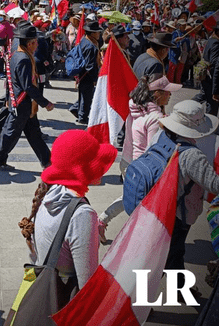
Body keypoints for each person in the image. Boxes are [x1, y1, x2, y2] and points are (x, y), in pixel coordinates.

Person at [28, 130, 117, 289]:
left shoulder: (48, 193)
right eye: (96, 163)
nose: (103, 168)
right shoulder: (82, 215)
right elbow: (86, 286)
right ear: (81, 169)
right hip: (64, 299)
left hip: (44, 288)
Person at [98, 74, 181, 243]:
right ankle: (137, 240)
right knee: (141, 204)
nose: (170, 95)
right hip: (143, 168)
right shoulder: (156, 119)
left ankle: (102, 222)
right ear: (157, 94)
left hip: (128, 162)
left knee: (129, 197)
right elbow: (154, 148)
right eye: (167, 92)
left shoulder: (135, 108)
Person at [158, 100, 219, 293]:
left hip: (161, 206)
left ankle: (181, 289)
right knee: (169, 253)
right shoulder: (193, 155)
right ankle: (136, 298)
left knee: (171, 252)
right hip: (179, 211)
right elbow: (215, 185)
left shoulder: (162, 138)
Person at [0, 24, 55, 171]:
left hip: (22, 103)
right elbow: (28, 86)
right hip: (22, 103)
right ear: (30, 43)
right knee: (10, 134)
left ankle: (47, 161)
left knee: (34, 134)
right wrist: (45, 103)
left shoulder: (17, 54)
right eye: (36, 42)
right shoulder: (24, 59)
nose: (37, 45)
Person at [69, 21, 102, 125]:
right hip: (87, 75)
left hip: (82, 74)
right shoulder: (90, 46)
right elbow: (90, 65)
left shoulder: (84, 41)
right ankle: (82, 117)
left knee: (84, 95)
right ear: (92, 33)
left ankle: (76, 109)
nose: (99, 34)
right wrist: (94, 79)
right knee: (86, 97)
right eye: (97, 32)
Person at [197, 25, 219, 115]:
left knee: (204, 96)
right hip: (211, 78)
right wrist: (216, 89)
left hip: (207, 76)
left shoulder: (211, 40)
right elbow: (215, 65)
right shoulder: (216, 43)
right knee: (212, 103)